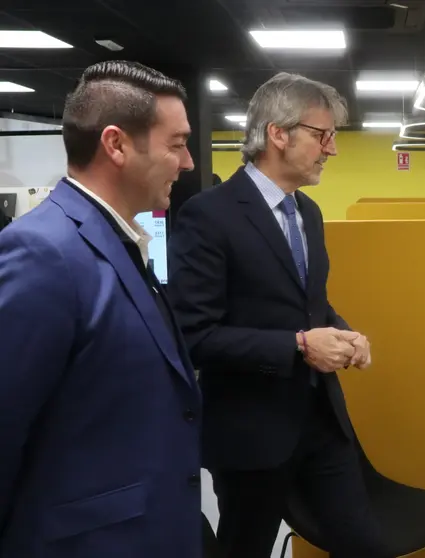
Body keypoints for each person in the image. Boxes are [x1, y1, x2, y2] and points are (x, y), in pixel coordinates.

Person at [168, 72, 384, 558]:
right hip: (251, 432)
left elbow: (312, 304)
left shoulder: (307, 212)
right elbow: (194, 334)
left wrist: (345, 335)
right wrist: (299, 346)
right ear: (278, 134)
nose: (332, 150)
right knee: (246, 549)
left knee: (364, 544)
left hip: (321, 421)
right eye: (322, 135)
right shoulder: (209, 215)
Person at [0, 61, 200, 557]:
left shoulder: (121, 238)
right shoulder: (42, 253)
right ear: (116, 145)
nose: (190, 162)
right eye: (176, 144)